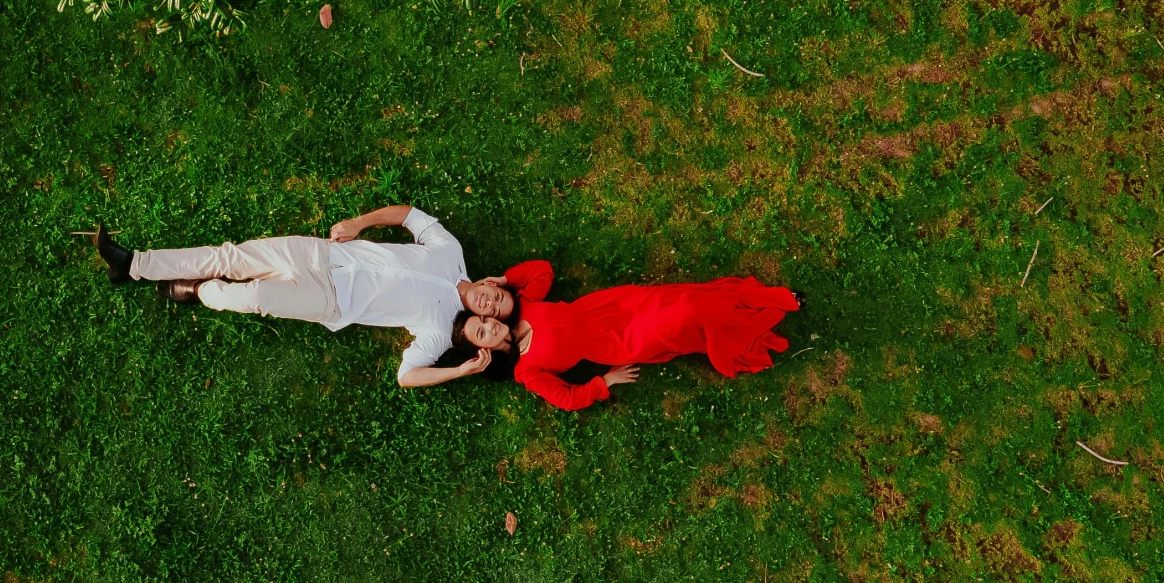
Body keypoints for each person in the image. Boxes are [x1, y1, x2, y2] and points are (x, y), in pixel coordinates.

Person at [95, 206, 515, 388]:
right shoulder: (450, 252)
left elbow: (407, 377)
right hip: (323, 253)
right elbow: (409, 217)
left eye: (494, 320)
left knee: (250, 296)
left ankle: (198, 291)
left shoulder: (442, 332)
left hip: (327, 301)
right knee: (232, 255)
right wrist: (360, 223)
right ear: (493, 283)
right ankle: (132, 264)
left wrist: (460, 371)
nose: (490, 309)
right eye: (497, 301)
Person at [457, 260, 800, 411]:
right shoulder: (526, 372)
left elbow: (541, 270)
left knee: (688, 300)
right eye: (483, 333)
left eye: (483, 318)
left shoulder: (524, 305)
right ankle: (752, 319)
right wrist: (605, 382)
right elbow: (566, 399)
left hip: (612, 306)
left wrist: (504, 280)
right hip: (617, 342)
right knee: (686, 315)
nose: (490, 323)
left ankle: (753, 304)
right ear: (484, 352)